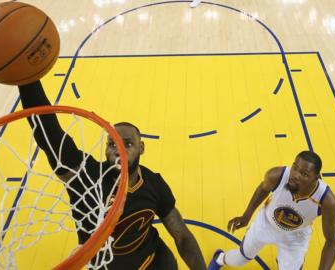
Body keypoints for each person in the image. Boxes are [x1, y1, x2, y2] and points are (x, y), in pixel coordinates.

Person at [18, 81, 206, 270]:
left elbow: (181, 235)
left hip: (153, 263)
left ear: (141, 148)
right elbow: (49, 133)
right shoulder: (85, 177)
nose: (119, 150)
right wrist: (26, 79)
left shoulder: (154, 184)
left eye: (127, 144)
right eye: (112, 144)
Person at [208, 151, 335, 270]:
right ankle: (219, 259)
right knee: (239, 259)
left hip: (295, 237)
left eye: (304, 174)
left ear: (316, 178)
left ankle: (283, 260)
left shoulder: (327, 201)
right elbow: (263, 189)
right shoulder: (277, 175)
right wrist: (247, 215)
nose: (296, 175)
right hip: (265, 224)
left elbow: (331, 241)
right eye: (295, 168)